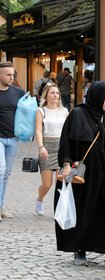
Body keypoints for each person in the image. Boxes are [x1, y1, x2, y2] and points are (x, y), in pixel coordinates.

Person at [55, 81, 105, 267]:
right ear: (97, 96)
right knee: (84, 211)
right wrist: (65, 163)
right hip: (85, 175)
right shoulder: (78, 115)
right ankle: (80, 250)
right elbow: (66, 142)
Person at [34, 83, 69, 215]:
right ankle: (40, 199)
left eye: (57, 93)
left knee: (60, 182)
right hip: (47, 148)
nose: (55, 95)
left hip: (62, 148)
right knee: (47, 184)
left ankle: (59, 210)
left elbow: (68, 131)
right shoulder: (41, 111)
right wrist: (41, 147)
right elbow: (38, 131)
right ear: (46, 95)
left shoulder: (64, 111)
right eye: (52, 93)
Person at [0, 61, 26, 221]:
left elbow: (29, 112)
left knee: (6, 174)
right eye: (8, 74)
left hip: (13, 139)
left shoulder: (19, 93)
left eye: (13, 75)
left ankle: (1, 207)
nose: (11, 77)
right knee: (0, 170)